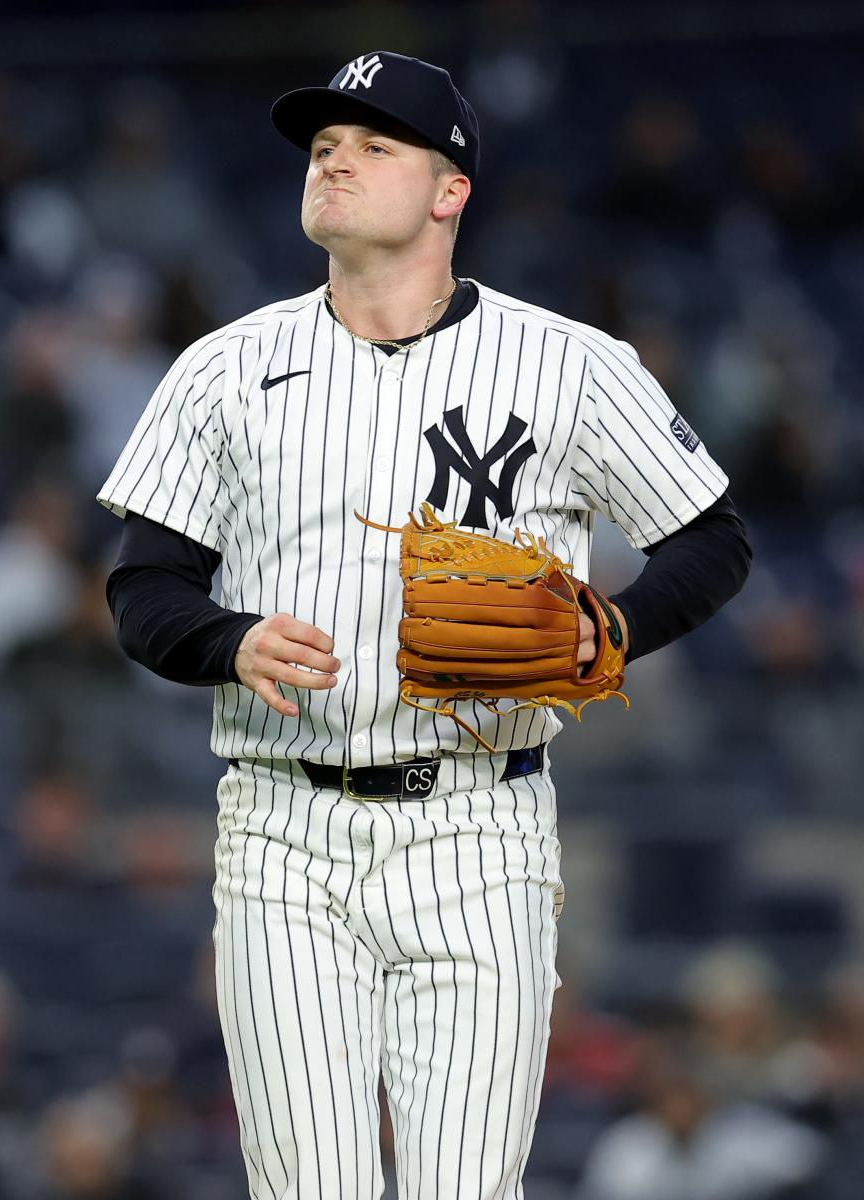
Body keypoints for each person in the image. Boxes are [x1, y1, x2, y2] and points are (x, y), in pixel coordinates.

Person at [99, 51, 751, 1200]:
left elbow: (712, 542)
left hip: (482, 828)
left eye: (375, 143)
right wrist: (229, 639)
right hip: (284, 833)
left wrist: (610, 631)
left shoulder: (569, 367)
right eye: (323, 145)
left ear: (450, 190)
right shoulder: (225, 370)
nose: (335, 157)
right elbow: (142, 592)